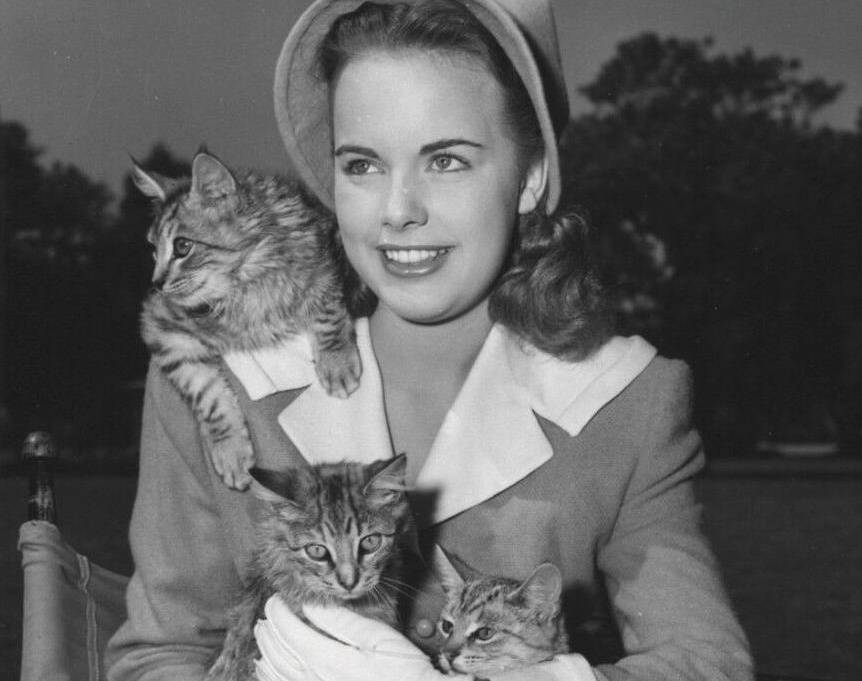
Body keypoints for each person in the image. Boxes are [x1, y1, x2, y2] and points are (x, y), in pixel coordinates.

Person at [106, 1, 754, 679]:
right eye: (361, 165)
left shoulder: (627, 401)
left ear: (529, 175)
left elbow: (705, 663)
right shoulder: (219, 380)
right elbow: (160, 653)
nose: (397, 210)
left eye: (445, 160)